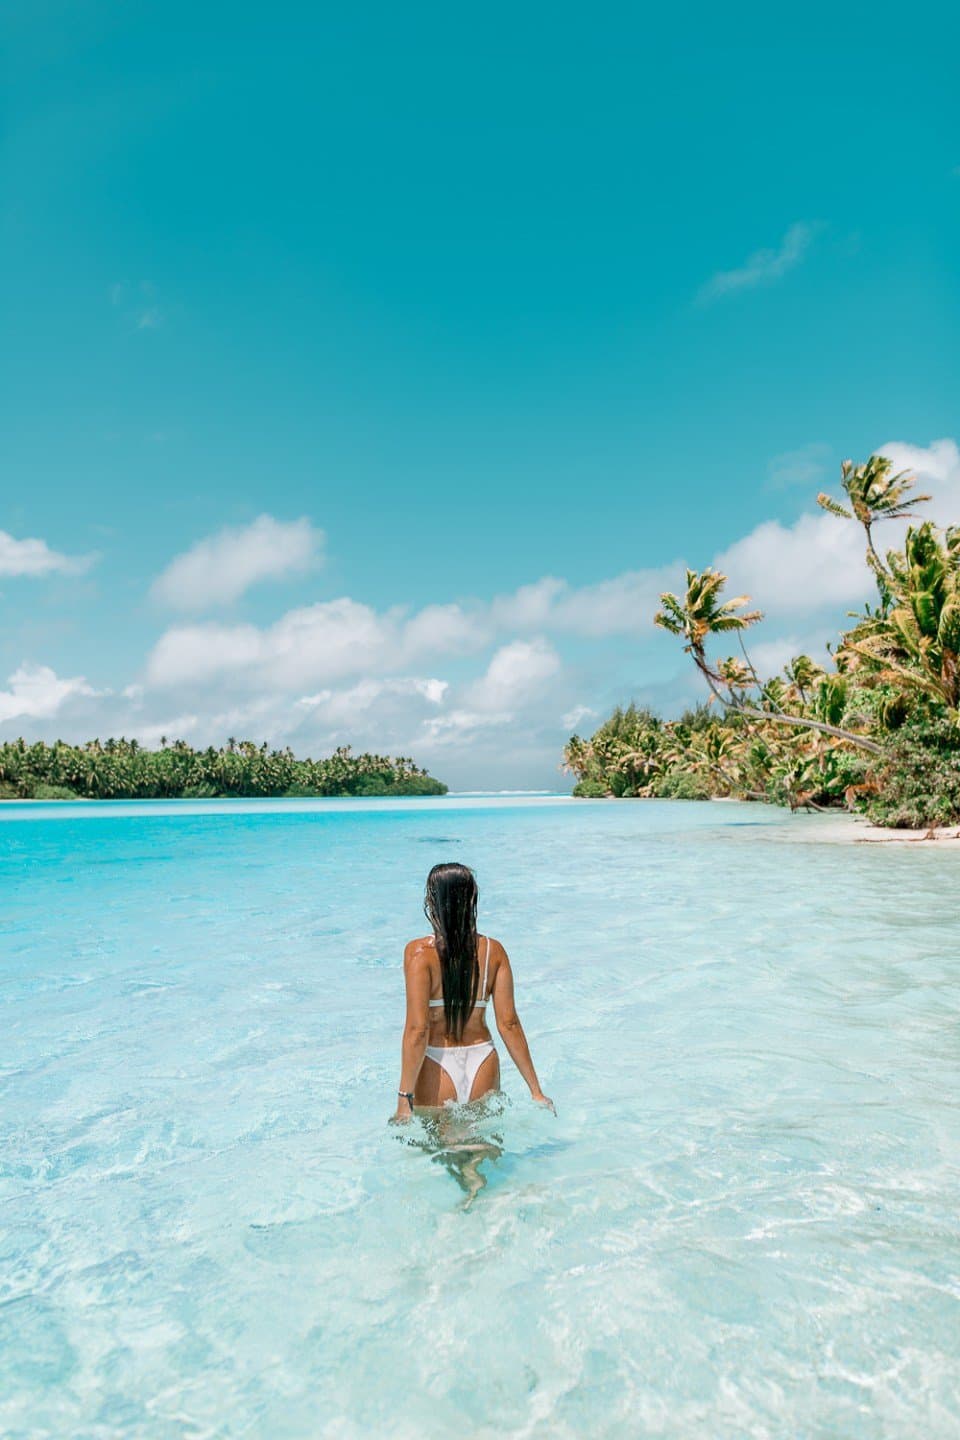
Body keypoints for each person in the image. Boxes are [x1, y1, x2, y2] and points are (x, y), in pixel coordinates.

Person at [392, 862, 554, 1122]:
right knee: (480, 1151)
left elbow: (417, 1030)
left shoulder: (419, 954)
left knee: (442, 1152)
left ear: (433, 901)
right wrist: (536, 1091)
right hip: (483, 1062)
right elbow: (509, 1024)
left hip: (437, 1063)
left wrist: (404, 1098)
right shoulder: (494, 951)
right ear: (471, 900)